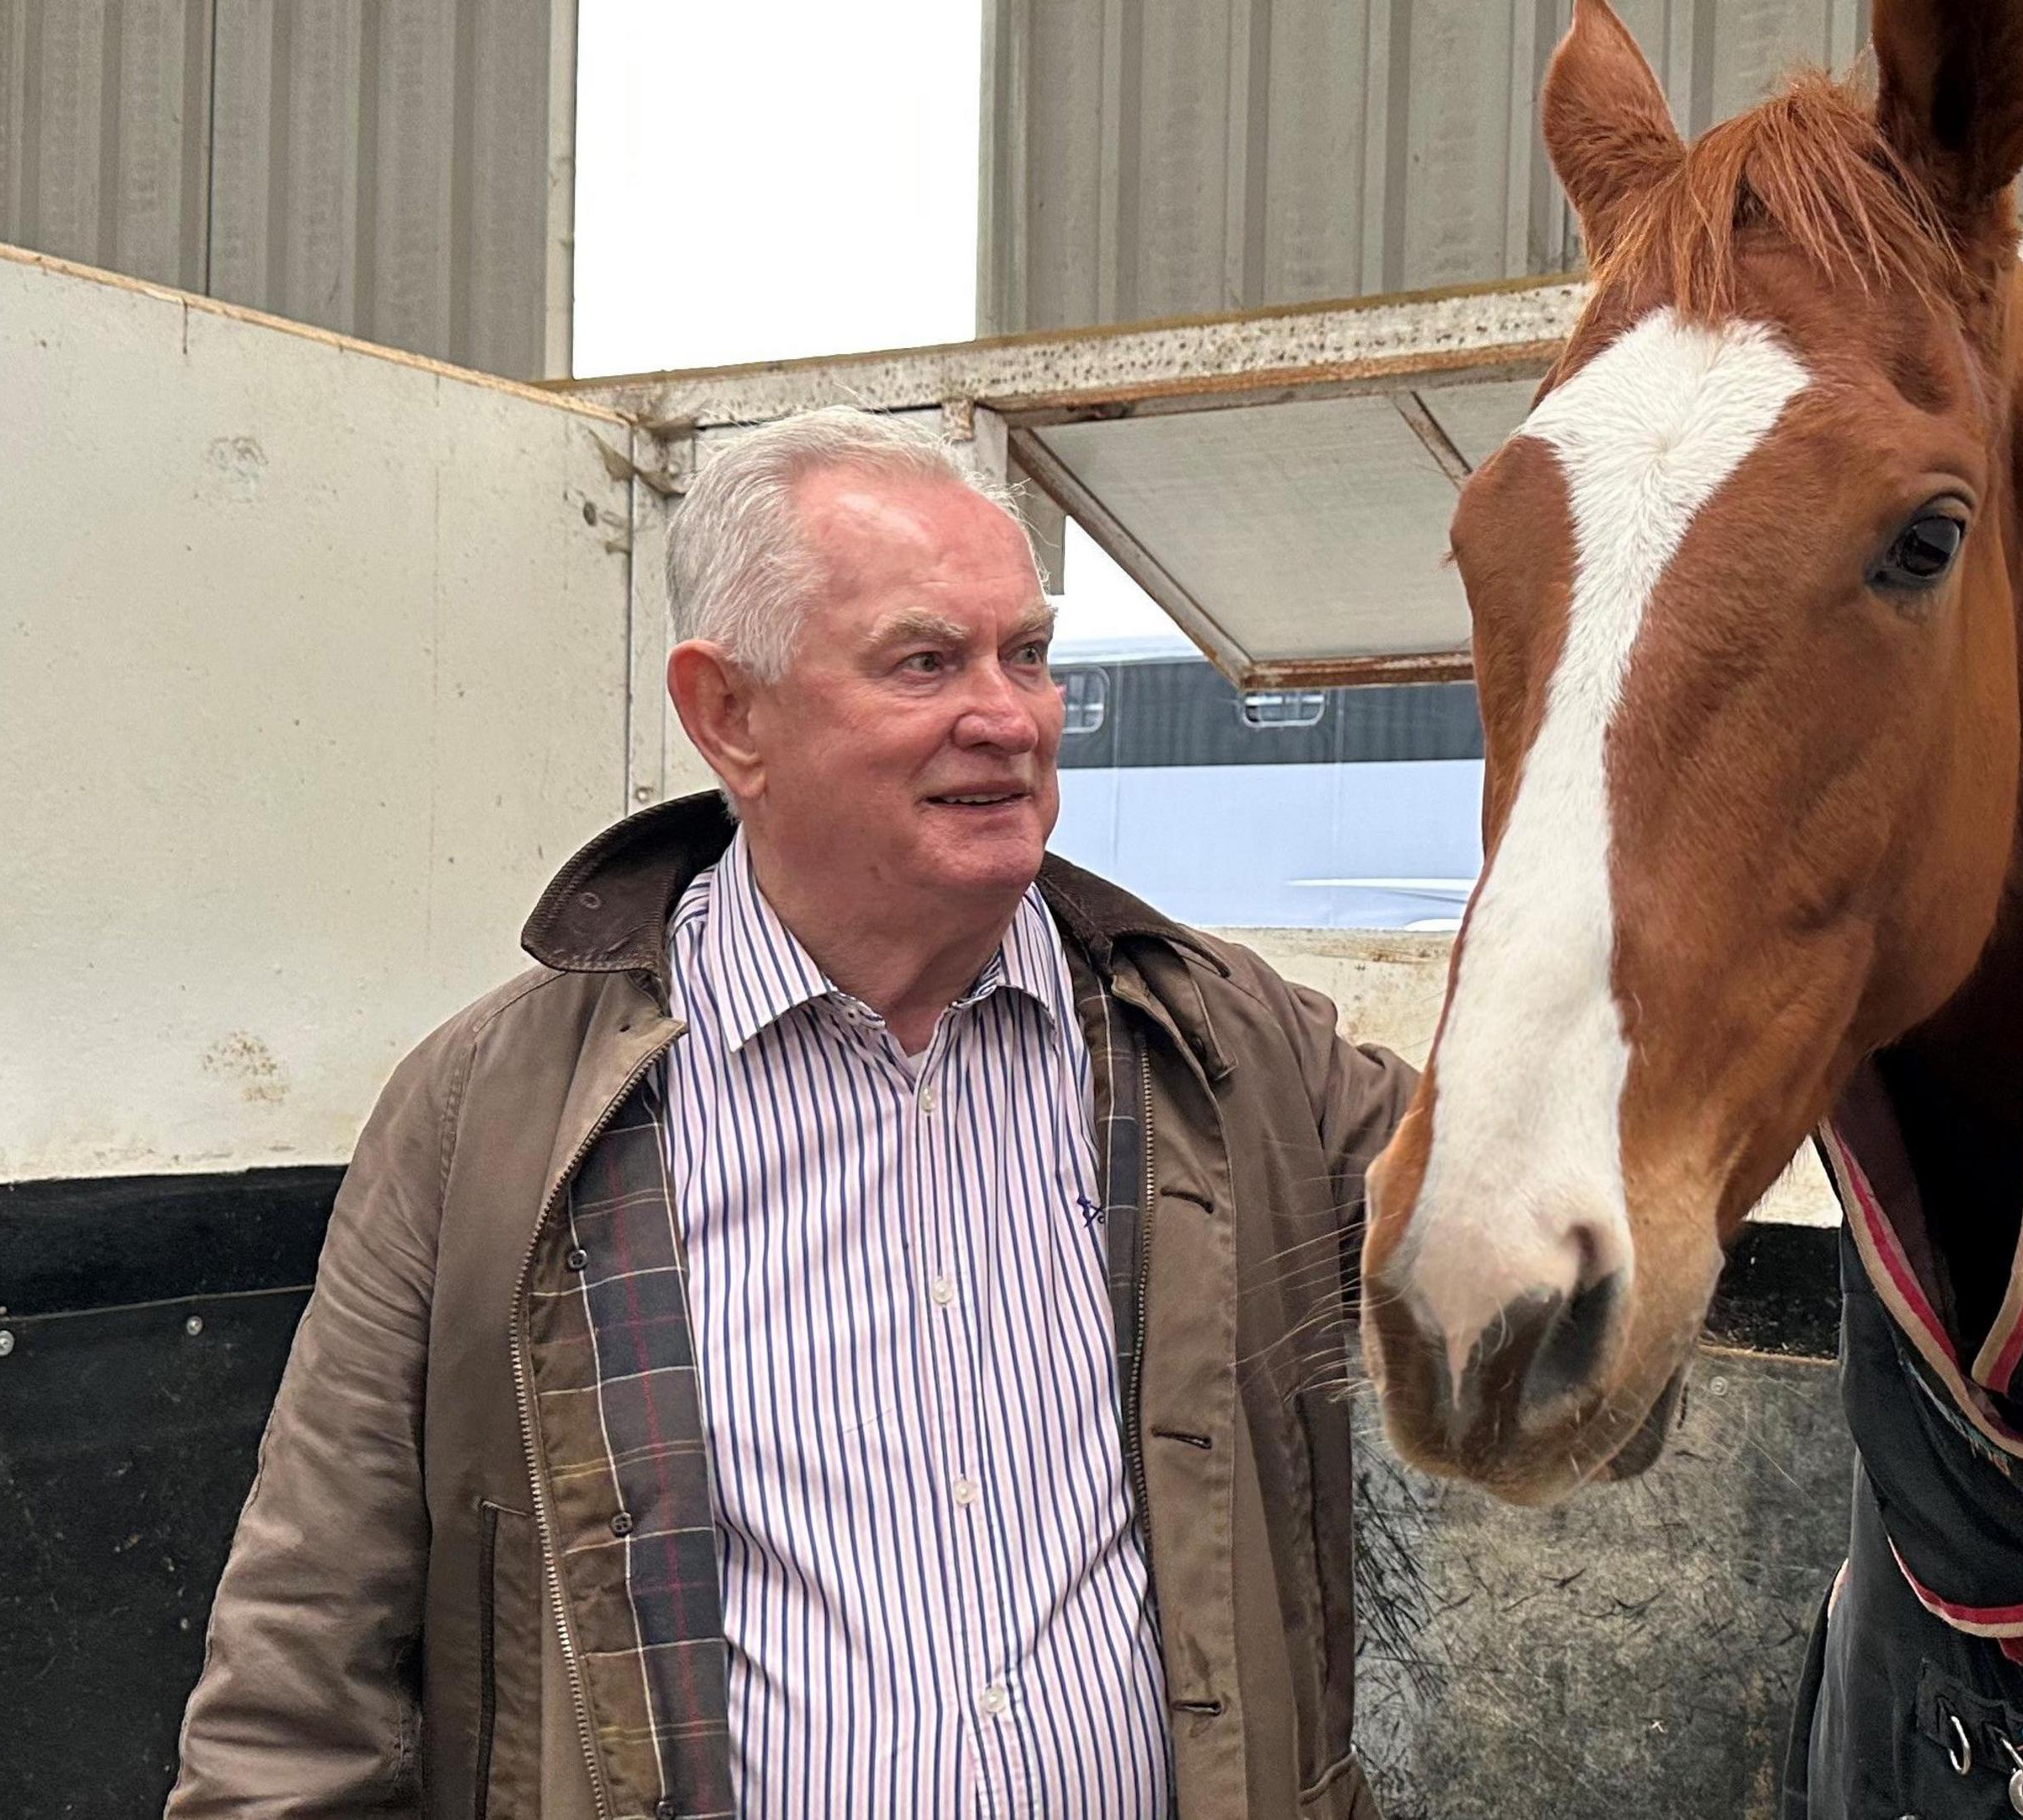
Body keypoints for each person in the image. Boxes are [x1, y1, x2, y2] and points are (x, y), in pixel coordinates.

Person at [169, 407, 1415, 1819]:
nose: (1009, 716)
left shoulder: (1223, 1045)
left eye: (1029, 654)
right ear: (729, 715)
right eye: (926, 661)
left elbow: (1555, 1305)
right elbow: (303, 1656)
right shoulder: (489, 1114)